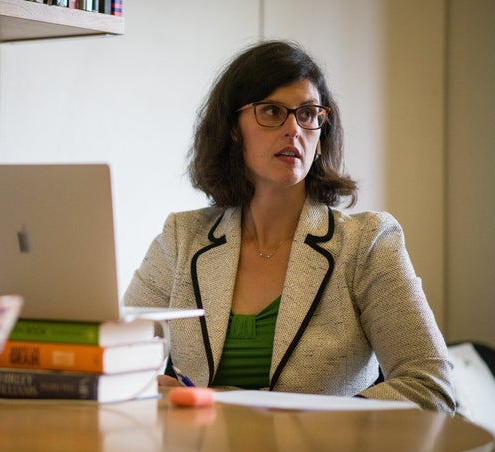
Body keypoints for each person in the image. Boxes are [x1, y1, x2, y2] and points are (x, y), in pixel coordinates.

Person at [123, 40, 455, 413]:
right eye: (271, 111)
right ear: (233, 128)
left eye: (308, 114)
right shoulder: (181, 237)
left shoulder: (368, 243)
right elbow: (111, 354)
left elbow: (431, 386)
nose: (294, 129)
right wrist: (141, 383)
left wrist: (309, 423)